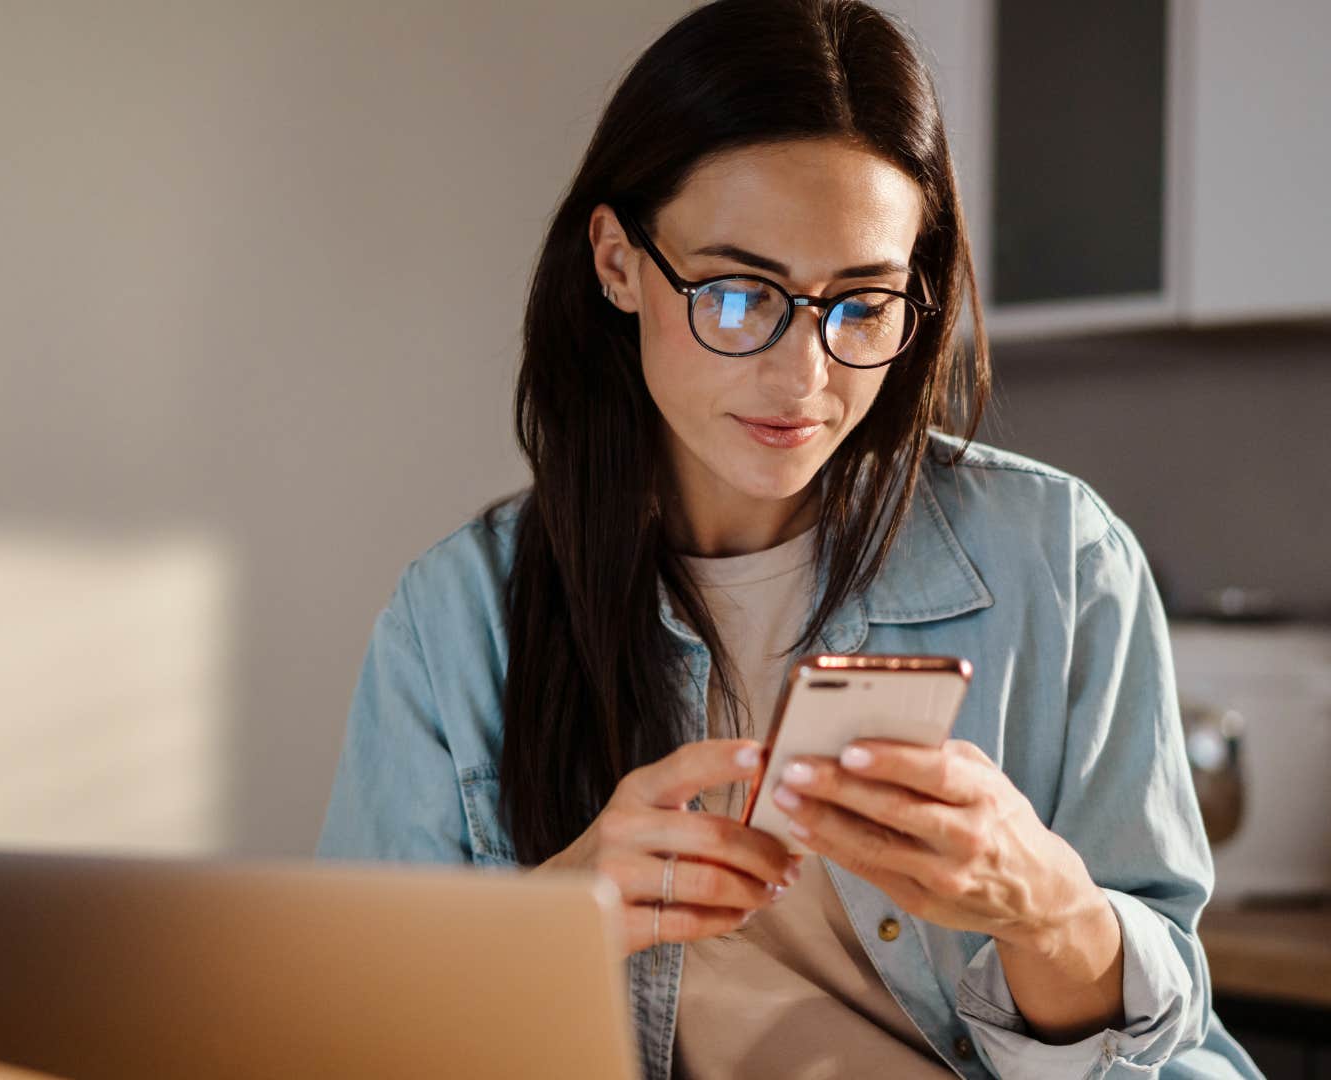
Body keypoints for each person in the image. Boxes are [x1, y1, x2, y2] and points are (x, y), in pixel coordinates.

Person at [315, 1, 1266, 1077]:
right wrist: (558, 914)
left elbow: (1164, 1050)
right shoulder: (458, 621)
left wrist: (1043, 907)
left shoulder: (1060, 560)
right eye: (735, 294)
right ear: (618, 263)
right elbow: (352, 1028)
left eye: (860, 306)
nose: (803, 378)